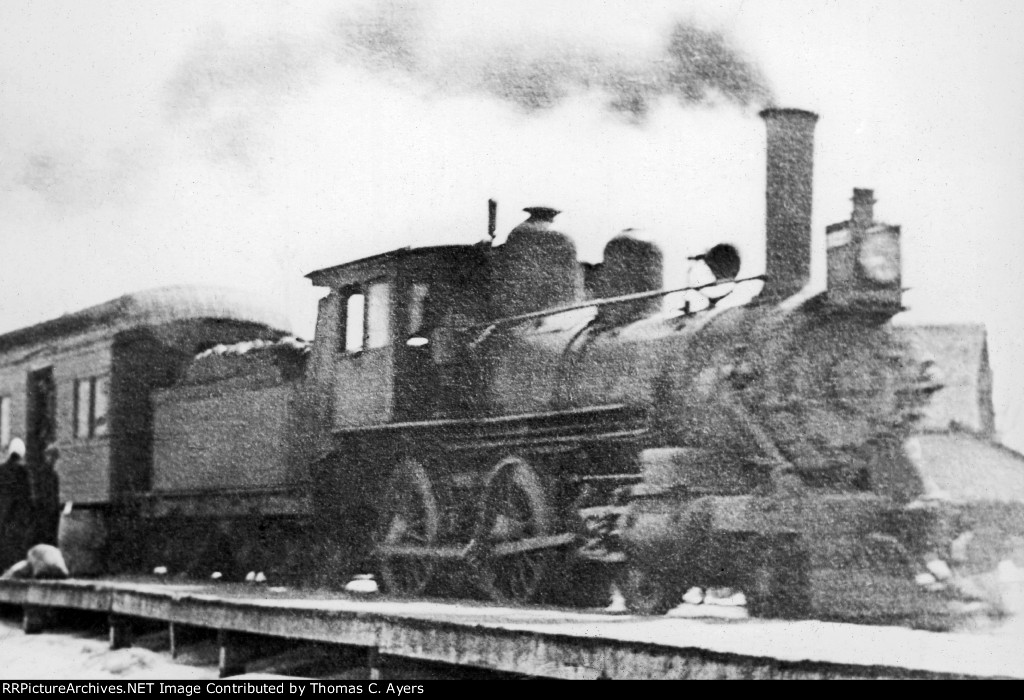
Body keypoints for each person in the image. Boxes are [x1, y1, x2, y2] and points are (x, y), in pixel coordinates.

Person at [0, 438, 33, 570]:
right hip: (16, 517)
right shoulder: (22, 471)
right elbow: (27, 497)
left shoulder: (1, 470)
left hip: (2, 515)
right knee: (15, 545)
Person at [32, 443, 61, 547]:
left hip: (50, 517)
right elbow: (44, 496)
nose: (53, 460)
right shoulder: (43, 474)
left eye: (55, 458)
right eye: (51, 456)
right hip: (45, 517)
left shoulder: (53, 475)